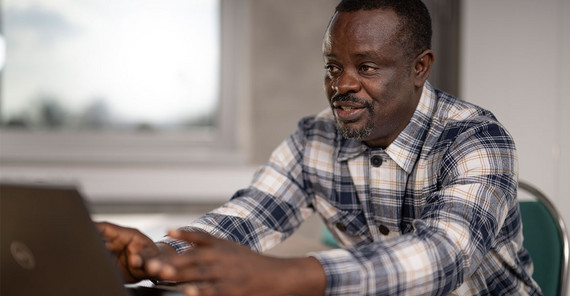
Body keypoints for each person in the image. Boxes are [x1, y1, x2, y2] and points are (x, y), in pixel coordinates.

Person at [97, 0, 543, 295]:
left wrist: (287, 274)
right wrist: (161, 256)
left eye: (366, 67)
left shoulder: (475, 138)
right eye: (333, 66)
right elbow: (248, 216)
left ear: (419, 68)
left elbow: (444, 256)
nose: (341, 85)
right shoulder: (316, 137)